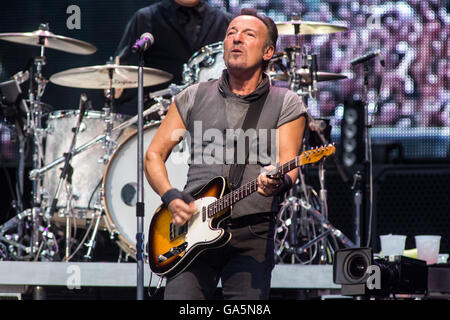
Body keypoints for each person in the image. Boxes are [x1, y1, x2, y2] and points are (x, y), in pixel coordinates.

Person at [144, 9, 307, 300]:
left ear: (268, 51)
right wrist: (169, 195)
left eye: (248, 35)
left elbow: (289, 164)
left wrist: (277, 181)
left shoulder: (286, 103)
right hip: (191, 228)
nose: (236, 39)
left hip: (252, 234)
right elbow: (154, 154)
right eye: (231, 33)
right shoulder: (193, 96)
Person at [113, 0, 232, 115]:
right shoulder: (146, 18)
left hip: (211, 114)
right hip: (159, 113)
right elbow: (126, 73)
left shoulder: (225, 21)